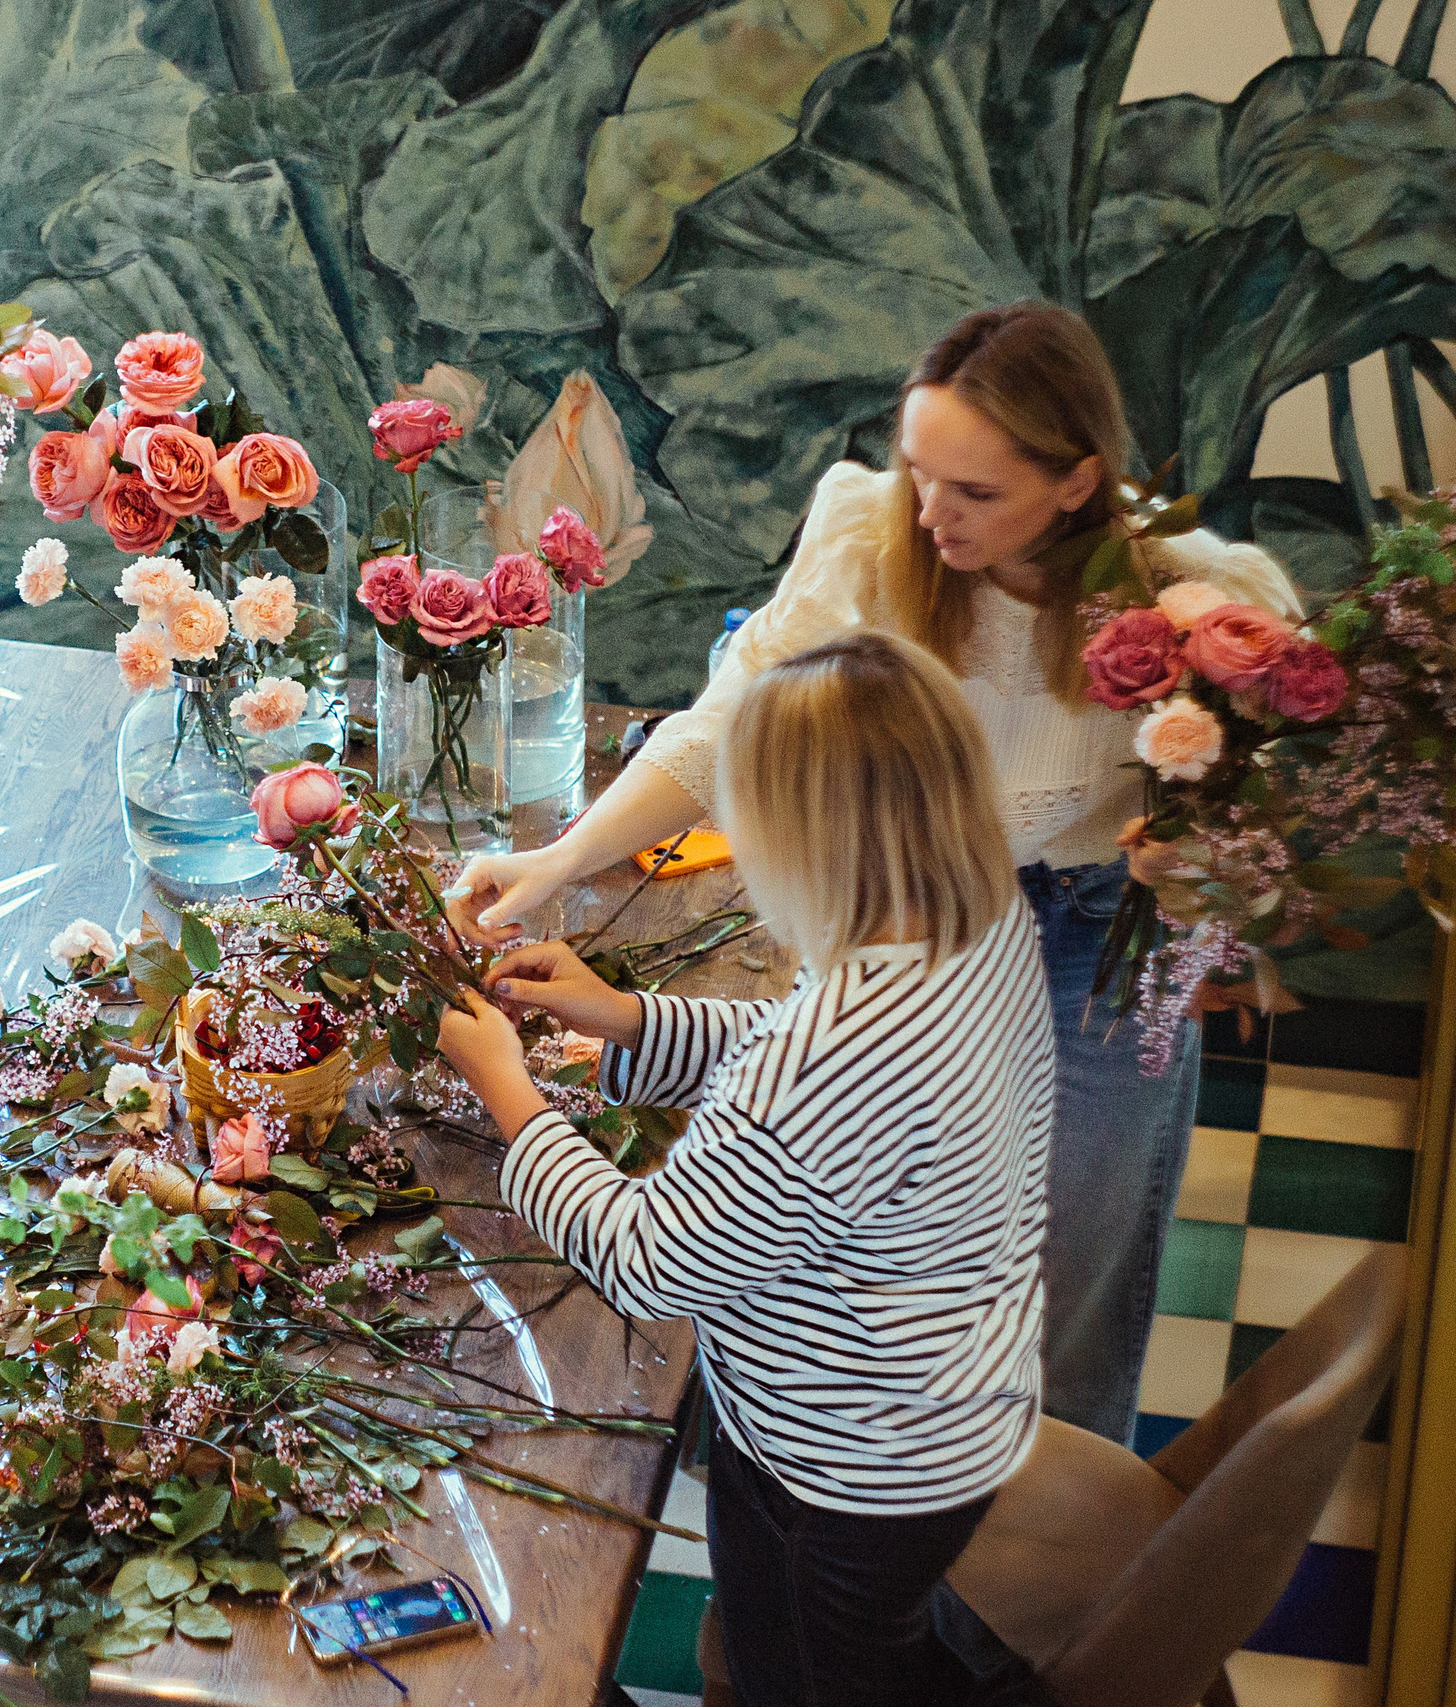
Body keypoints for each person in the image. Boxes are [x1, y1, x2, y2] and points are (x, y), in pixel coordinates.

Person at [450, 301, 1302, 1443]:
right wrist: (560, 861)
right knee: (848, 1237)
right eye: (918, 475)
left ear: (1075, 481)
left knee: (1070, 1269)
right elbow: (721, 727)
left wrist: (1204, 866)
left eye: (975, 492)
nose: (933, 514)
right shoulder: (871, 538)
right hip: (918, 916)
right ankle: (814, 1455)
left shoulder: (1194, 601)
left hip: (1096, 943)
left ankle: (1040, 1566)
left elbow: (1269, 815)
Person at [434, 634, 1052, 1707]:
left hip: (844, 1461)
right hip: (950, 1394)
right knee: (881, 1644)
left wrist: (509, 1094)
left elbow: (646, 1261)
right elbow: (797, 1054)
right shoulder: (974, 923)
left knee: (809, 1674)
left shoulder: (829, 1054)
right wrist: (632, 1018)